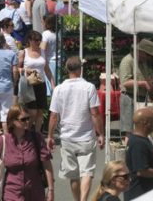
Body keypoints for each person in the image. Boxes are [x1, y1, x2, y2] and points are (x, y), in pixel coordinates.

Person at [47, 56, 104, 201]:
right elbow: (95, 113)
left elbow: (54, 116)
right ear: (80, 69)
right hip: (86, 136)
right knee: (87, 172)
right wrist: (100, 133)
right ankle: (84, 199)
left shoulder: (59, 89)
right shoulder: (89, 87)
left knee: (73, 175)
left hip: (67, 137)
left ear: (67, 69)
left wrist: (50, 136)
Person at [0, 104, 55, 201]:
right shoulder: (2, 141)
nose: (27, 122)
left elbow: (47, 164)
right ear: (12, 121)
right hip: (12, 192)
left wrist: (51, 189)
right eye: (23, 119)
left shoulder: (37, 138)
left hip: (35, 192)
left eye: (28, 118)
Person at [123, 108, 153, 200]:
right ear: (146, 122)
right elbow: (142, 171)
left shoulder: (143, 140)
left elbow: (146, 163)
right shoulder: (138, 143)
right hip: (140, 194)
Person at [118, 39, 153, 137]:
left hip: (140, 98)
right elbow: (125, 82)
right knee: (130, 130)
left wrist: (151, 83)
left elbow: (145, 77)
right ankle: (129, 149)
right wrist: (143, 83)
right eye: (147, 55)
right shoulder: (127, 61)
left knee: (141, 128)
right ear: (141, 52)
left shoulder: (142, 62)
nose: (148, 57)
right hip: (129, 98)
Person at [18, 31, 55, 133]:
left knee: (40, 111)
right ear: (30, 40)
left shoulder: (42, 52)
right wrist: (26, 70)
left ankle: (37, 134)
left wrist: (52, 84)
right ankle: (26, 131)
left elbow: (46, 68)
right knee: (32, 112)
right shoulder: (23, 52)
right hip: (29, 85)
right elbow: (17, 68)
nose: (38, 42)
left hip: (40, 83)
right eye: (36, 40)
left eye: (39, 40)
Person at [42, 14, 58, 96]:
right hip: (59, 60)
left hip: (49, 61)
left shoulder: (46, 34)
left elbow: (42, 48)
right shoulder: (59, 32)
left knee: (50, 84)